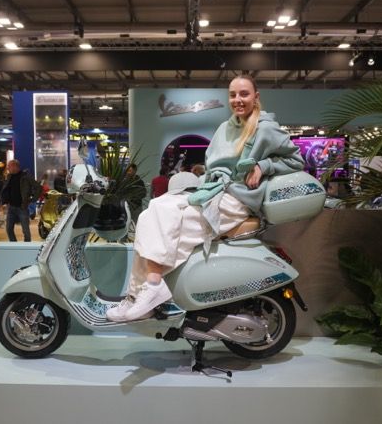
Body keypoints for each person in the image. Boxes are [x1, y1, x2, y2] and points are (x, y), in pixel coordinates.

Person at [107, 75, 304, 322]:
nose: (238, 99)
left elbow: (296, 160)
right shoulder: (224, 128)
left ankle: (153, 285)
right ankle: (137, 296)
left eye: (244, 94)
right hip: (213, 191)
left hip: (237, 200)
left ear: (256, 97)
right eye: (233, 95)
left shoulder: (265, 128)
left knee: (165, 217)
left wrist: (263, 166)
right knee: (151, 212)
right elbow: (212, 167)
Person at [0, 159, 33, 242]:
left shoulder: (25, 177)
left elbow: (38, 188)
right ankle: (14, 244)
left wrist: (31, 199)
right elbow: (6, 189)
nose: (8, 168)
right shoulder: (9, 177)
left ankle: (27, 245)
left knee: (25, 230)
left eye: (9, 166)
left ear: (15, 166)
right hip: (11, 207)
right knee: (8, 228)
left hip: (22, 208)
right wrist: (4, 201)